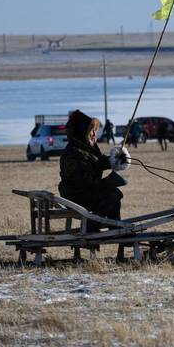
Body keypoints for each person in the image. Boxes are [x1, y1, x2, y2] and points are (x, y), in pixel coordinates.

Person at [59, 110, 130, 260]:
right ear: (80, 133)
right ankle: (93, 228)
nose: (93, 135)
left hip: (87, 193)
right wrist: (107, 182)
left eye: (94, 132)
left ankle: (115, 227)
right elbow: (83, 182)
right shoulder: (74, 153)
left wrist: (117, 158)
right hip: (77, 196)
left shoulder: (86, 149)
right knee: (113, 194)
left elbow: (99, 161)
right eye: (90, 132)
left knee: (114, 193)